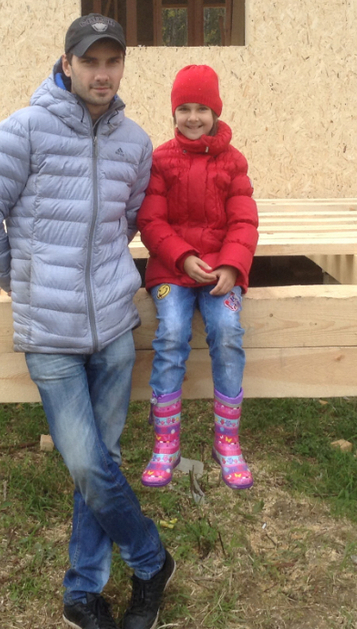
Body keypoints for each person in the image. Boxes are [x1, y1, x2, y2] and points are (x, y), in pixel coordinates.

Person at [0, 14, 174, 629]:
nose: (102, 74)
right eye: (90, 62)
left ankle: (82, 592)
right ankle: (151, 559)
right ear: (67, 64)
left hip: (113, 327)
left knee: (101, 459)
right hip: (50, 334)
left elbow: (126, 222)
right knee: (86, 461)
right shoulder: (24, 131)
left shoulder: (135, 142)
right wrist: (24, 280)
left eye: (113, 61)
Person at [137, 64, 259, 491]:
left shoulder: (233, 162)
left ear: (215, 112)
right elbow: (151, 221)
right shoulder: (161, 161)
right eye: (184, 108)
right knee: (171, 332)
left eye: (201, 109)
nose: (192, 117)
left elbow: (243, 221)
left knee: (226, 331)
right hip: (172, 269)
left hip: (220, 273)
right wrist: (182, 257)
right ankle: (165, 443)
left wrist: (231, 265)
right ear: (173, 113)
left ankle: (227, 441)